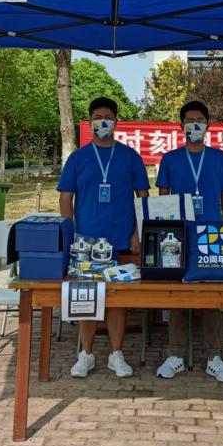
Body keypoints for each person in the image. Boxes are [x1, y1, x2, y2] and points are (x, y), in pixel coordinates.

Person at [58, 97, 150, 378]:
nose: (103, 122)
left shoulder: (130, 156)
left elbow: (143, 197)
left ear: (116, 122)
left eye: (108, 117)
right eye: (97, 117)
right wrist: (70, 234)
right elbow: (65, 197)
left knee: (118, 298)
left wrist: (138, 232)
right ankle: (86, 354)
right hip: (85, 244)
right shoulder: (78, 158)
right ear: (90, 122)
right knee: (86, 296)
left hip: (122, 241)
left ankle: (116, 354)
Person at [155, 101, 223, 383]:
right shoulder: (170, 159)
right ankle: (175, 355)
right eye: (189, 120)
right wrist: (163, 230)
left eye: (200, 120)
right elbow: (163, 197)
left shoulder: (221, 158)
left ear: (208, 125)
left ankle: (214, 358)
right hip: (178, 236)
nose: (195, 125)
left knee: (211, 298)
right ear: (181, 126)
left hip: (212, 236)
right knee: (177, 297)